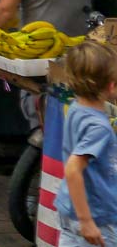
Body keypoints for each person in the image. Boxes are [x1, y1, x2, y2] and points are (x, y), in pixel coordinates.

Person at [57, 40, 117, 247]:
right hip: (96, 216)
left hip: (69, 208)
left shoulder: (76, 108)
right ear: (111, 85)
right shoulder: (98, 127)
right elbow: (74, 169)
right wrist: (87, 221)